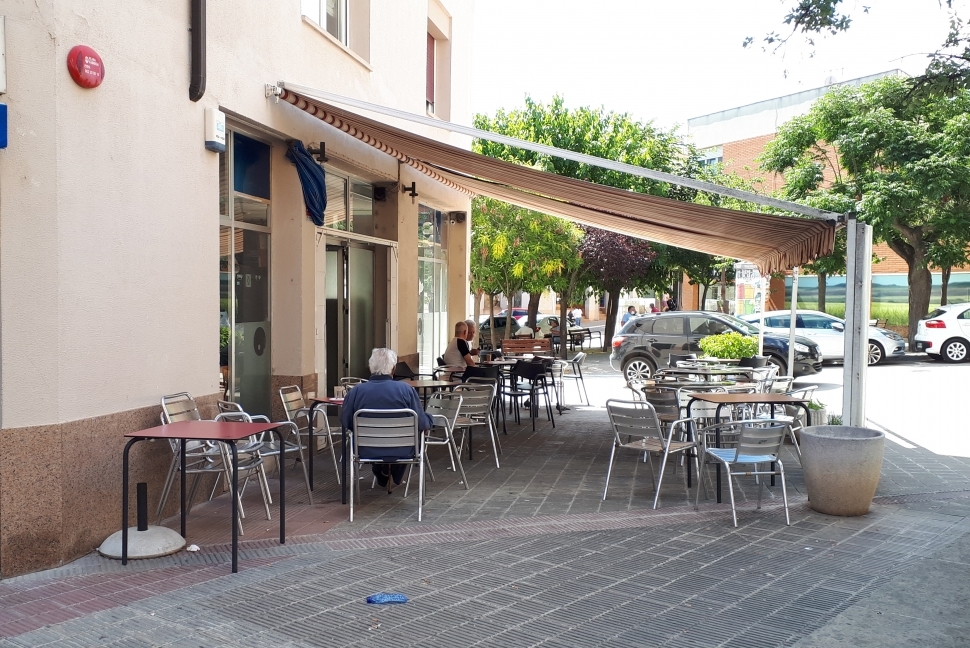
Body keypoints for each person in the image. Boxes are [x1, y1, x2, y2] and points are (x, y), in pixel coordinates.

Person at [340, 348, 435, 488]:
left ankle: (382, 470)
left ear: (371, 368)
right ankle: (391, 473)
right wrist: (430, 420)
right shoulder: (406, 390)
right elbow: (421, 422)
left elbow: (346, 421)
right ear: (394, 369)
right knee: (413, 433)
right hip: (403, 449)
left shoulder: (356, 391)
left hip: (365, 449)